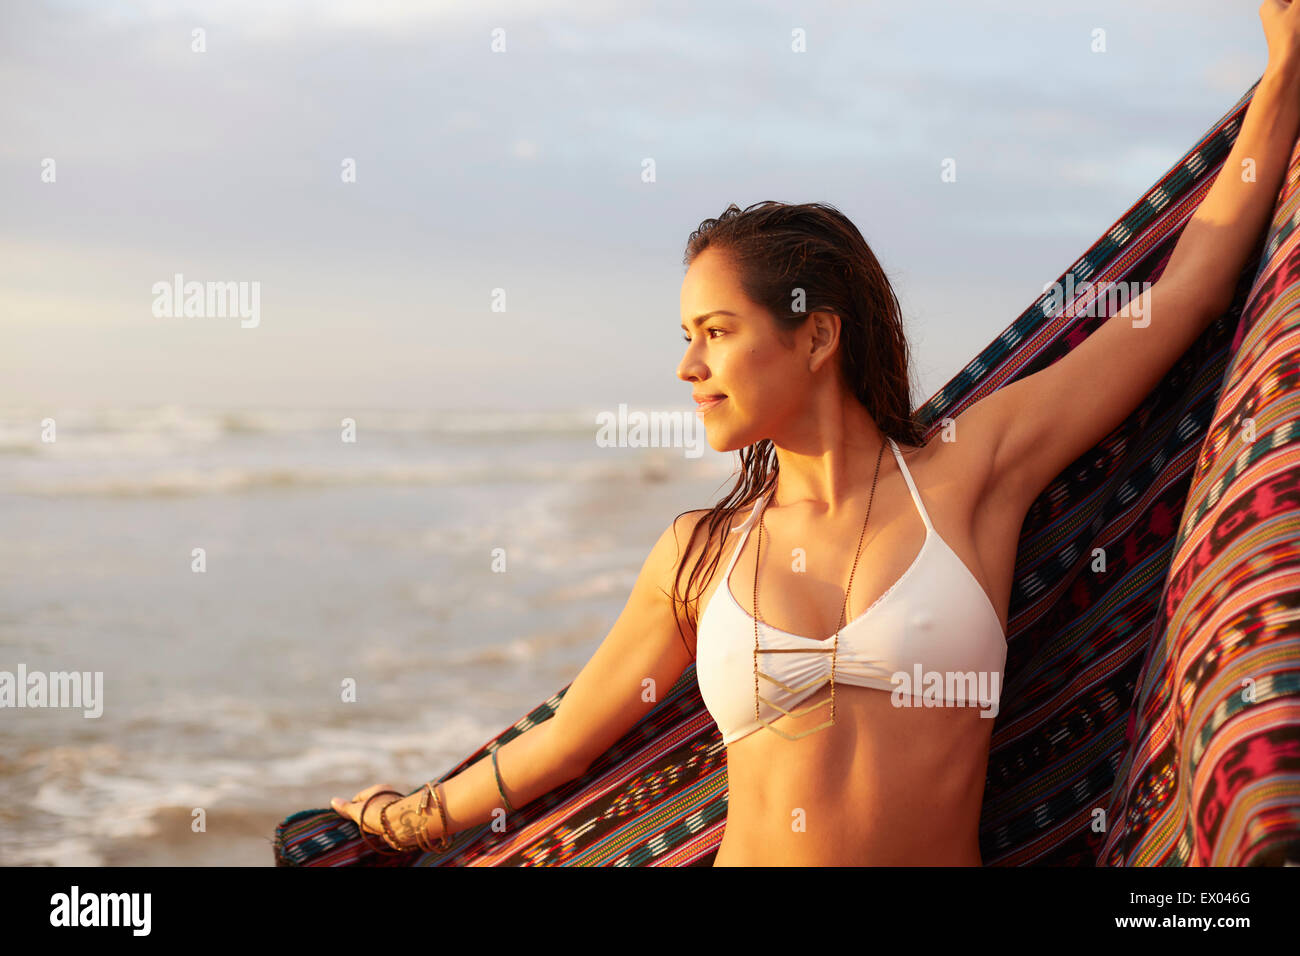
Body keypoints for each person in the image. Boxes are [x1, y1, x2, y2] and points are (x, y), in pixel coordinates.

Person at [331, 1, 1300, 864]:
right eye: (685, 337)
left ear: (814, 335)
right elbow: (567, 738)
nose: (687, 367)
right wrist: (407, 816)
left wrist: (1288, 67)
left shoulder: (970, 472)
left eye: (716, 333)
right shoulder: (696, 554)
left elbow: (1184, 293)